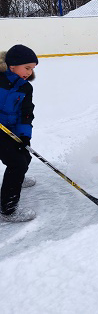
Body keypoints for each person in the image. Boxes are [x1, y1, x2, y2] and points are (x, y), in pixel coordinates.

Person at [0, 45, 38, 222]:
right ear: (12, 65)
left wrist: (24, 136)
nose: (29, 72)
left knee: (25, 155)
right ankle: (7, 210)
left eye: (32, 69)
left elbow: (26, 114)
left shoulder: (25, 88)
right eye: (27, 67)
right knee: (17, 164)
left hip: (10, 131)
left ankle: (16, 180)